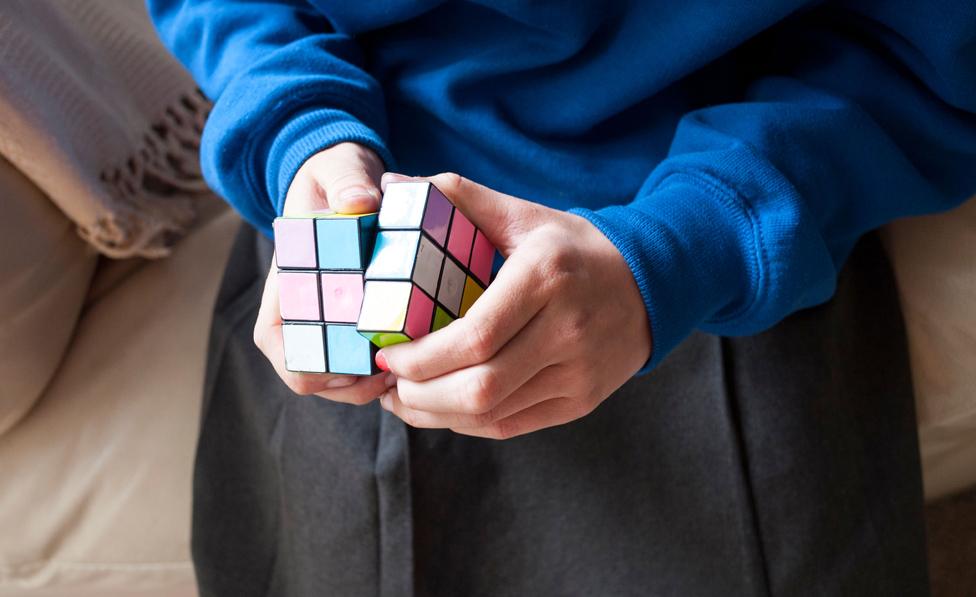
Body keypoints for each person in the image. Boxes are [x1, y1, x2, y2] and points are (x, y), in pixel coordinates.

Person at [149, 1, 976, 595]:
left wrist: (679, 248)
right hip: (346, 214)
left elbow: (928, 52)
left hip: (727, 223)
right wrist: (299, 132)